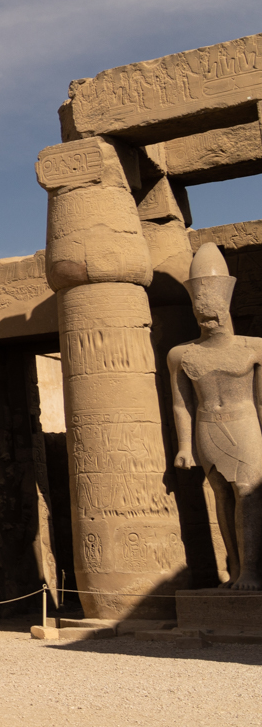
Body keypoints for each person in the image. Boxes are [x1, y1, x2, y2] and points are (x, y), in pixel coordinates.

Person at [168, 243, 262, 590]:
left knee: (249, 493)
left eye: (214, 311)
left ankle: (252, 570)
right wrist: (184, 447)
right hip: (206, 428)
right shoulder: (181, 354)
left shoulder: (254, 347)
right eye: (200, 312)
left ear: (226, 308)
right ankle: (235, 569)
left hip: (245, 424)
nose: (208, 317)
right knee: (221, 495)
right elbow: (181, 404)